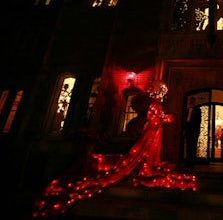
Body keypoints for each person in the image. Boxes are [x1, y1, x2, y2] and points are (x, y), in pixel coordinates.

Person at [33, 80, 197, 218]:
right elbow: (161, 119)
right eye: (161, 91)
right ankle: (144, 167)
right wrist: (172, 117)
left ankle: (147, 165)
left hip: (153, 132)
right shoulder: (155, 105)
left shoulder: (153, 105)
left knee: (149, 153)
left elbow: (154, 118)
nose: (162, 94)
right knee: (144, 153)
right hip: (152, 133)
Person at [183, 96, 202, 168]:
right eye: (190, 101)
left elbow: (198, 121)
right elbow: (185, 120)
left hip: (194, 130)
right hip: (188, 130)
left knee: (193, 147)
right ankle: (187, 163)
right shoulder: (187, 109)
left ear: (194, 101)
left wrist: (197, 131)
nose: (191, 102)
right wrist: (184, 130)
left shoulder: (197, 109)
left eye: (192, 101)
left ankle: (192, 163)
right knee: (188, 146)